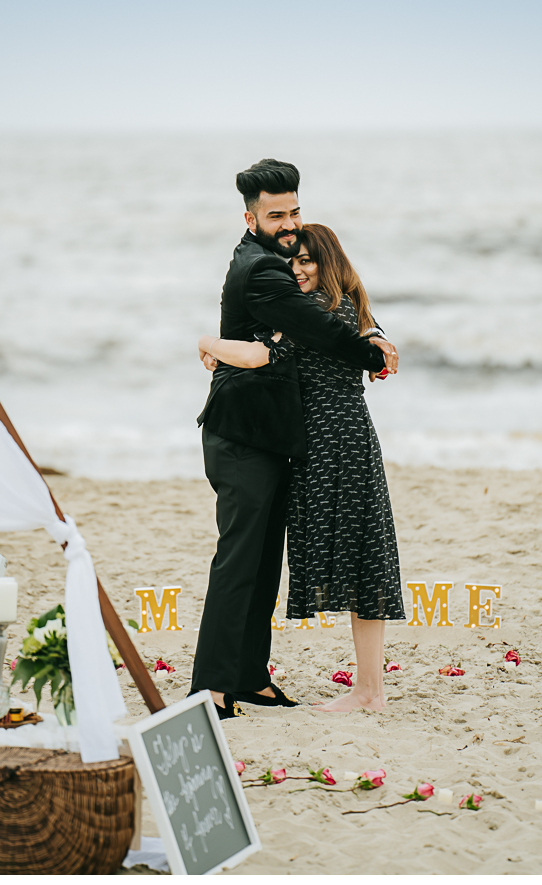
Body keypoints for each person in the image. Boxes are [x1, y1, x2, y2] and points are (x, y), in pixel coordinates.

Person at [192, 160, 398, 718]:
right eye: (276, 214)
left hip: (274, 439)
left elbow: (335, 306)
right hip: (242, 437)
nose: (287, 224)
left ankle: (250, 678)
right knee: (239, 560)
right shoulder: (262, 270)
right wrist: (370, 351)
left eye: (294, 212)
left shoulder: (271, 259)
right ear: (250, 216)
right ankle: (209, 689)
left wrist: (373, 331)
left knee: (262, 562)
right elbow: (314, 330)